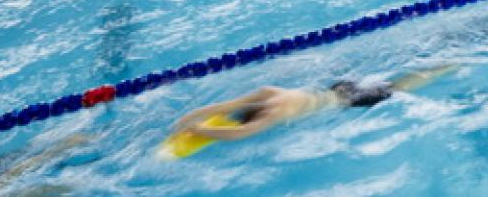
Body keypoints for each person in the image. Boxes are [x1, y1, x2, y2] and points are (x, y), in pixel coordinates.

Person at [168, 68, 453, 148]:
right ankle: (443, 65)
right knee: (396, 81)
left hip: (347, 101)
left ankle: (449, 66)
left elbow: (239, 134)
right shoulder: (268, 94)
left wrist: (198, 130)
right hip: (337, 87)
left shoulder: (273, 115)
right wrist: (188, 118)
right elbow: (223, 105)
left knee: (402, 87)